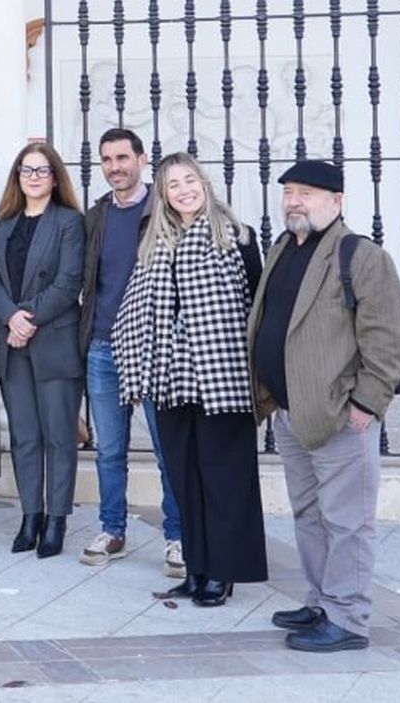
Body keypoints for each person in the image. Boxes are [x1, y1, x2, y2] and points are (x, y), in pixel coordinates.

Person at [248, 160, 400, 652]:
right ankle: (321, 601)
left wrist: (367, 404)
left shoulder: (361, 256)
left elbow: (386, 340)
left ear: (335, 201)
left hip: (341, 415)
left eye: (307, 194)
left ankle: (349, 619)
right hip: (293, 412)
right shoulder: (282, 248)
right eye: (289, 192)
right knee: (310, 515)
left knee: (346, 520)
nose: (295, 201)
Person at [112, 152, 265, 607]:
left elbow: (255, 306)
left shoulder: (237, 236)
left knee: (224, 476)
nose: (183, 190)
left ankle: (224, 571)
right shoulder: (154, 241)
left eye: (189, 180)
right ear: (162, 194)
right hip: (170, 376)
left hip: (222, 377)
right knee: (185, 477)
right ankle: (197, 567)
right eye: (172, 185)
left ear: (204, 183)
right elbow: (135, 305)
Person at [78, 128, 185, 577]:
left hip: (154, 345)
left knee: (167, 448)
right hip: (103, 345)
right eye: (106, 159)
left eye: (122, 157)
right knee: (110, 450)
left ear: (142, 160)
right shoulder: (96, 215)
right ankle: (112, 529)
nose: (114, 167)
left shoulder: (164, 210)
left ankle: (178, 537)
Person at [0, 142, 85, 559]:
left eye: (42, 171)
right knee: (25, 436)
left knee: (59, 436)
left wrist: (29, 320)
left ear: (55, 176)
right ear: (17, 177)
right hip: (12, 342)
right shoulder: (3, 223)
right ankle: (31, 515)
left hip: (53, 339)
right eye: (27, 170)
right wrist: (11, 318)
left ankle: (57, 519)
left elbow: (68, 281)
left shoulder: (69, 221)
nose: (34, 177)